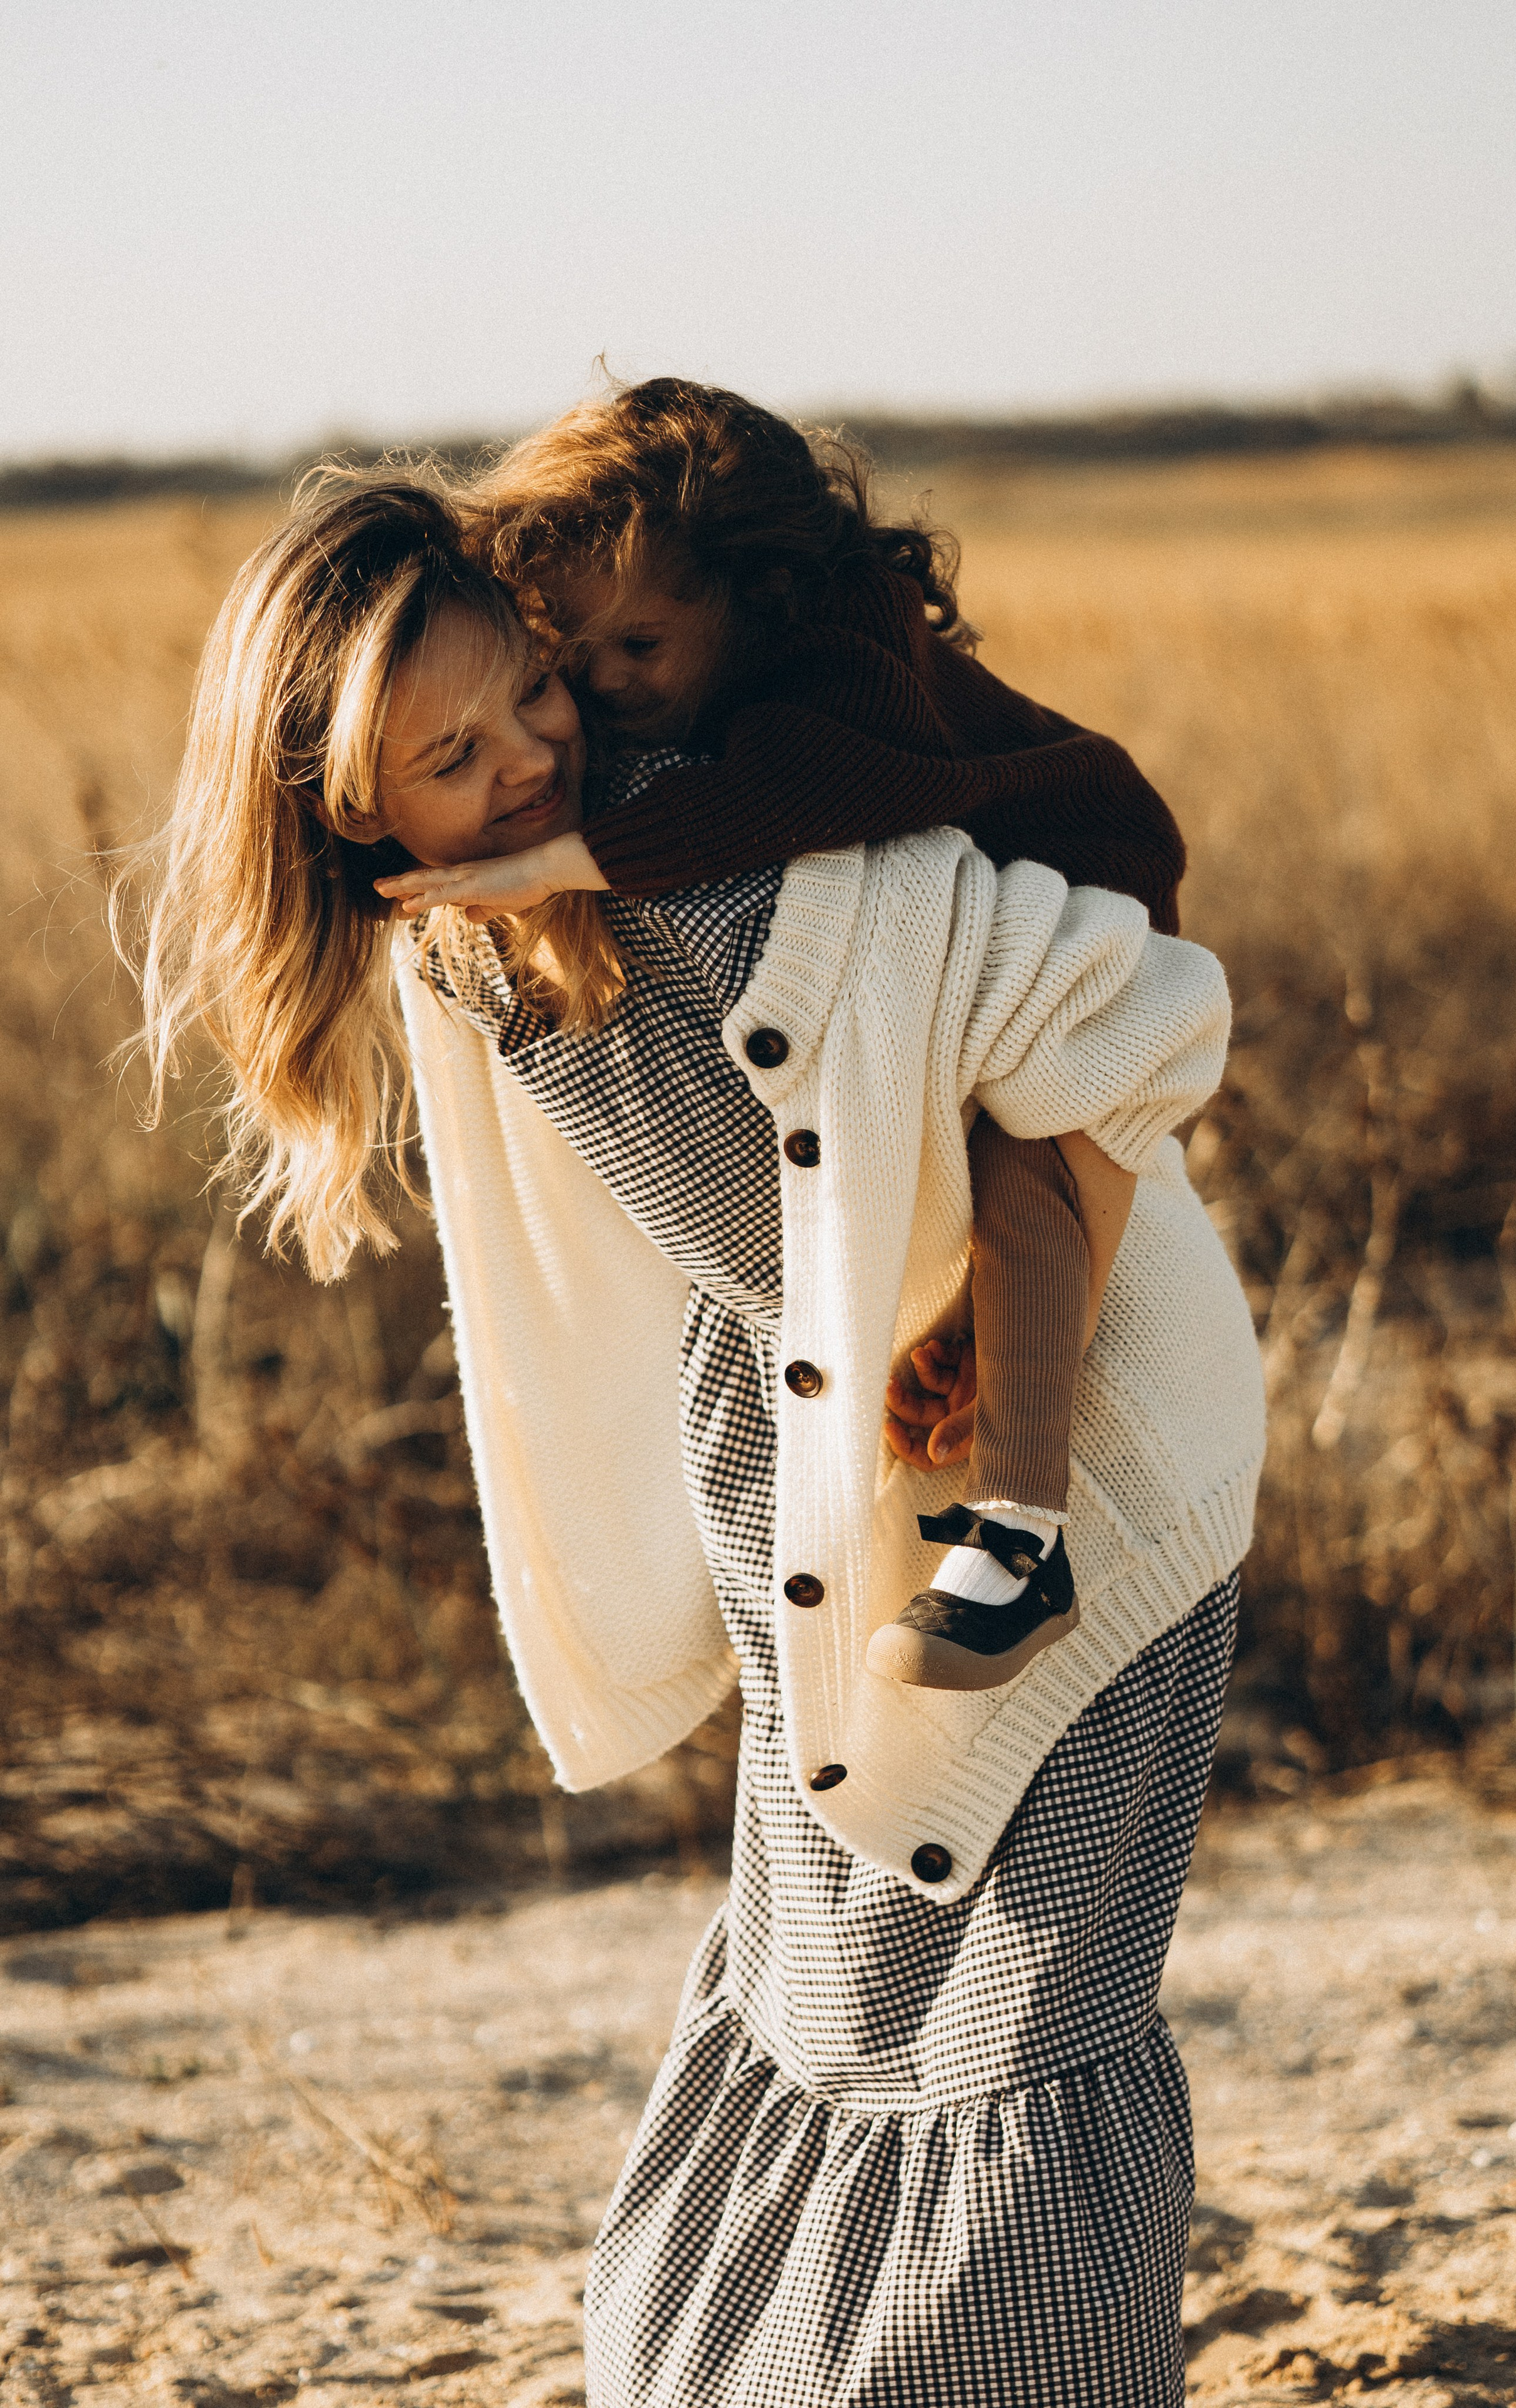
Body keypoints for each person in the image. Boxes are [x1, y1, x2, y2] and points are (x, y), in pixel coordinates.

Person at [130, 470, 1265, 2407]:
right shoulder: (467, 939)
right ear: (348, 808)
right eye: (452, 750)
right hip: (815, 1492)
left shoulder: (729, 861)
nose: (527, 759)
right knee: (825, 1981)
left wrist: (1007, 1369)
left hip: (1080, 1471)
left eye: (536, 698)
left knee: (1020, 2014)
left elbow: (1141, 1006)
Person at [377, 378, 1189, 1691]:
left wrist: (577, 858)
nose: (601, 687)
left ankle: (1021, 1533)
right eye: (565, 654)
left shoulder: (837, 657)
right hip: (978, 934)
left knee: (1028, 1182)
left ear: (753, 596)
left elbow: (798, 796)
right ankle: (976, 1373)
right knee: (986, 1235)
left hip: (1092, 879)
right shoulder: (681, 666)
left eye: (636, 650)